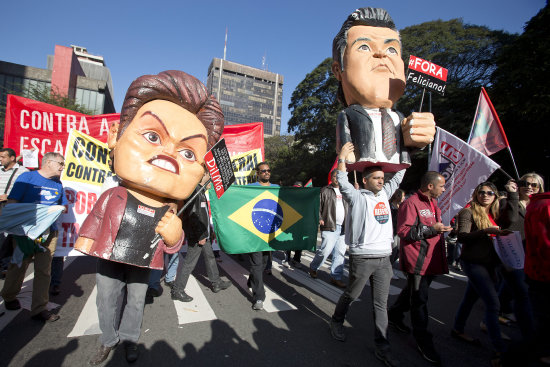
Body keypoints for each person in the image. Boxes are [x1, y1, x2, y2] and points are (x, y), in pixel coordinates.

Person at [75, 70, 224, 365]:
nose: (169, 153)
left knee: (135, 302)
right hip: (109, 257)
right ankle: (108, 339)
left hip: (143, 260)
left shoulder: (171, 207)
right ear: (115, 137)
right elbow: (96, 218)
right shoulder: (114, 195)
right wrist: (87, 238)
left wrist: (173, 235)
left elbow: (173, 246)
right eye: (153, 136)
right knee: (106, 300)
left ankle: (129, 339)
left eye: (189, 153)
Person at [332, 7, 435, 172]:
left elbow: (406, 143)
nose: (381, 54)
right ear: (338, 70)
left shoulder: (400, 118)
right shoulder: (348, 114)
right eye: (364, 47)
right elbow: (344, 135)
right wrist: (346, 155)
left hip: (396, 169)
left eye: (391, 50)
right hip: (362, 166)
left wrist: (416, 139)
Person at [330, 142, 404, 367]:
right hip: (362, 258)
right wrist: (342, 156)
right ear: (364, 180)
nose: (382, 181)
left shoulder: (386, 194)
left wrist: (403, 146)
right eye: (376, 178)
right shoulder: (356, 197)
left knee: (380, 305)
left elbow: (400, 174)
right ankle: (336, 320)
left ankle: (383, 347)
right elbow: (342, 181)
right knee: (351, 295)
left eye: (383, 178)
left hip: (384, 259)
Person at [387, 172, 452, 364]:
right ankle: (424, 341)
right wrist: (433, 230)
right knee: (420, 300)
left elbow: (432, 227)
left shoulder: (433, 203)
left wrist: (441, 229)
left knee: (413, 293)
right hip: (417, 260)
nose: (444, 189)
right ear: (430, 186)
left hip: (432, 259)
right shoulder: (411, 203)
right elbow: (403, 231)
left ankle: (395, 314)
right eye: (441, 186)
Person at [451, 182, 516, 366]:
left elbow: (512, 219)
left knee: (470, 298)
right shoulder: (468, 212)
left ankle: (457, 328)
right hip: (473, 262)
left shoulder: (495, 214)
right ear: (476, 194)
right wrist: (484, 232)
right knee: (493, 303)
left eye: (490, 193)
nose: (485, 195)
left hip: (489, 264)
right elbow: (461, 236)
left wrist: (512, 194)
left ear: (495, 196)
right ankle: (499, 350)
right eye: (481, 192)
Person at [0, 152, 67, 322]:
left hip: (49, 233)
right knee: (18, 266)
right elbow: (13, 203)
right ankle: (8, 296)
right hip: (25, 233)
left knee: (44, 271)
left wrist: (56, 210)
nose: (62, 167)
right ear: (48, 163)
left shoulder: (58, 184)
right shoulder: (27, 178)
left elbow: (63, 207)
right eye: (60, 163)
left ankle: (39, 309)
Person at [170, 174, 231, 302]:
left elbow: (202, 215)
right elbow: (193, 215)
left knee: (210, 257)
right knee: (189, 263)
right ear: (203, 175)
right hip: (198, 235)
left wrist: (208, 230)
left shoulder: (201, 191)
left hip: (203, 233)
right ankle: (177, 290)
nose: (212, 181)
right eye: (210, 176)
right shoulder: (195, 191)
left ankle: (216, 282)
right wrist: (200, 235)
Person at [246, 162, 278, 311]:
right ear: (257, 173)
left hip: (270, 235)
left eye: (268, 170)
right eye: (263, 171)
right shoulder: (250, 188)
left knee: (264, 263)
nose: (266, 173)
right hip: (254, 234)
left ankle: (252, 281)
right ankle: (259, 297)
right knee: (256, 265)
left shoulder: (277, 189)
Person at [523, 190, 550, 365]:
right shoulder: (545, 206)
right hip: (542, 274)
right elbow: (545, 245)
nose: (530, 187)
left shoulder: (538, 204)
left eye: (534, 184)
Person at [309, 170, 348, 288]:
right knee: (325, 250)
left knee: (340, 253)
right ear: (331, 177)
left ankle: (336, 277)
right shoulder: (325, 190)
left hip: (344, 227)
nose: (337, 178)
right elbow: (317, 206)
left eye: (338, 176)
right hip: (330, 225)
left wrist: (356, 191)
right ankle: (314, 267)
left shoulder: (346, 190)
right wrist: (320, 218)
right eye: (334, 176)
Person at [0, 147, 29, 274]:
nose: (0, 159)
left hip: (9, 206)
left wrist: (10, 196)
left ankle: (5, 265)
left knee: (7, 237)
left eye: (3, 157)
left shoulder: (23, 172)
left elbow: (27, 190)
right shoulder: (0, 169)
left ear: (12, 158)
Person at [283, 181, 304, 268]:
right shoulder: (289, 197)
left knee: (299, 242)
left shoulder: (305, 199)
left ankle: (296, 260)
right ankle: (287, 259)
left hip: (301, 224)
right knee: (289, 242)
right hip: (290, 223)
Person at [389, 188, 405, 265]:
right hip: (392, 231)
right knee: (393, 251)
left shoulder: (401, 206)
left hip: (399, 231)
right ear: (397, 196)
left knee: (399, 250)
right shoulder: (390, 206)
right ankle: (389, 268)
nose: (404, 198)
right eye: (403, 196)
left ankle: (390, 267)